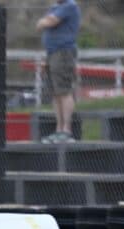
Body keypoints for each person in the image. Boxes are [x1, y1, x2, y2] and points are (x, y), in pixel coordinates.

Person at [37, 0, 81, 144]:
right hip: (51, 53)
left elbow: (50, 22)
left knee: (64, 91)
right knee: (55, 93)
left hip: (63, 53)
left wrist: (45, 21)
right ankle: (59, 130)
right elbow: (42, 23)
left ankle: (66, 131)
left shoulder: (70, 6)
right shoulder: (56, 7)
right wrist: (44, 22)